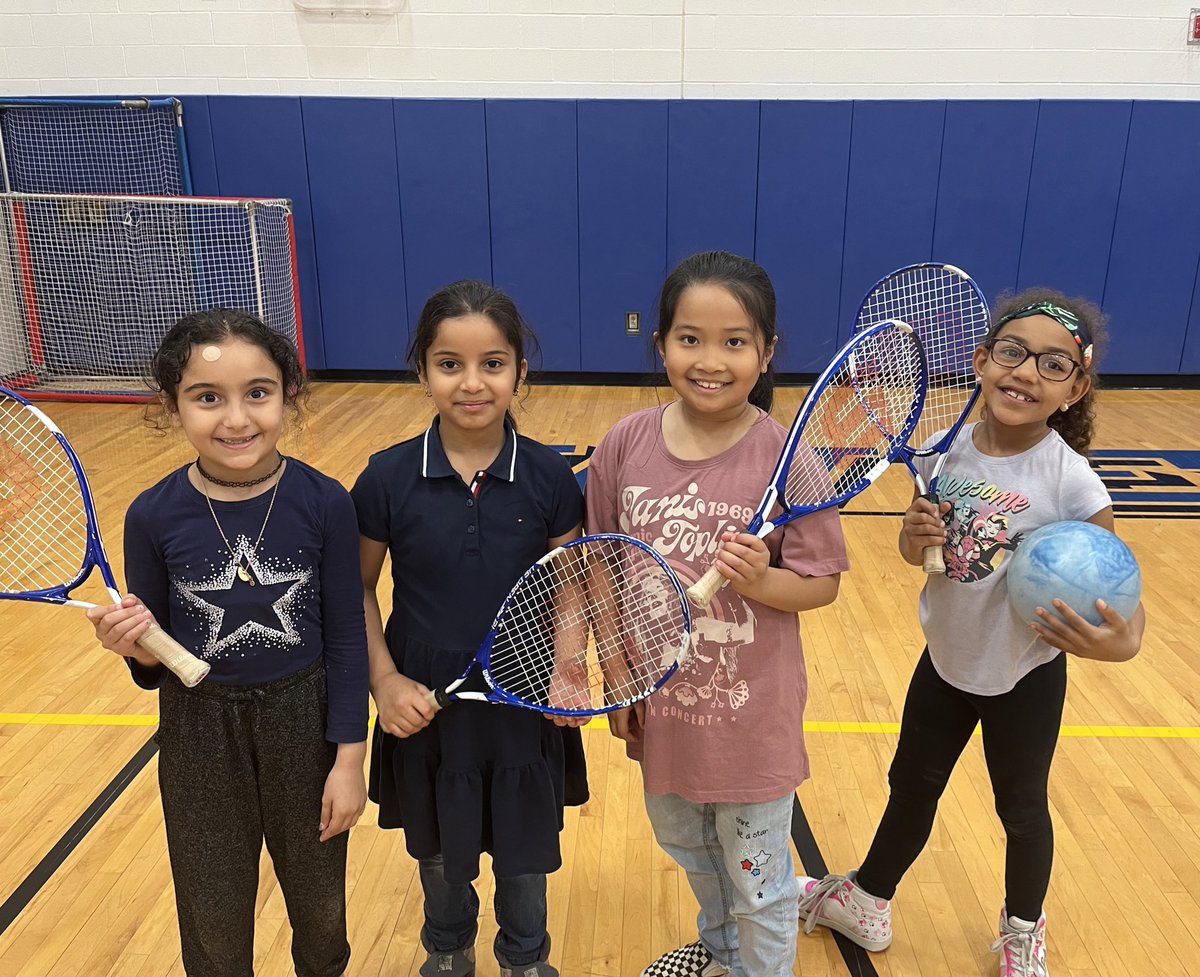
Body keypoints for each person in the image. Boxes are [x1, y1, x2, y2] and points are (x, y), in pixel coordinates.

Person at [797, 288, 1146, 977]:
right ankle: (869, 899)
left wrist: (1115, 642)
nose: (1026, 372)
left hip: (1024, 674)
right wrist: (909, 536)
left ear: (1074, 389)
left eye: (1052, 365)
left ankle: (1022, 930)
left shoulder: (1073, 483)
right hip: (946, 661)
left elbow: (1126, 611)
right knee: (911, 784)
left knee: (1020, 808)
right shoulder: (942, 449)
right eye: (1013, 352)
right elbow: (919, 552)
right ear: (983, 362)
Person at [585, 251, 850, 977]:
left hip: (751, 720)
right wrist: (617, 677)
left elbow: (820, 584)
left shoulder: (788, 460)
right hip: (661, 706)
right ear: (661, 344)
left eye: (736, 341)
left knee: (760, 880)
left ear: (766, 351)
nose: (711, 359)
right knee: (688, 843)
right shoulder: (624, 445)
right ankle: (722, 950)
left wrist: (763, 581)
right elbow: (603, 567)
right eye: (689, 338)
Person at [87, 309, 369, 977]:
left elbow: (348, 637)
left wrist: (350, 758)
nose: (236, 418)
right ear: (172, 405)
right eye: (208, 397)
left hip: (306, 722)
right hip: (198, 732)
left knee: (321, 905)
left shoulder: (325, 501)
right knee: (212, 914)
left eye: (258, 393)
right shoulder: (152, 514)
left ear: (287, 395)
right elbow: (155, 654)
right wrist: (133, 646)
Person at [351, 280, 588, 977]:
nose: (472, 381)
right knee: (435, 849)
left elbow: (569, 585)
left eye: (493, 362)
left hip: (523, 691)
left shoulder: (549, 476)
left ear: (520, 369)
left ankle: (524, 958)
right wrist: (384, 679)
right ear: (422, 370)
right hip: (422, 696)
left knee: (524, 853)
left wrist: (569, 667)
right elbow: (359, 585)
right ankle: (448, 948)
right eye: (449, 363)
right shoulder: (386, 477)